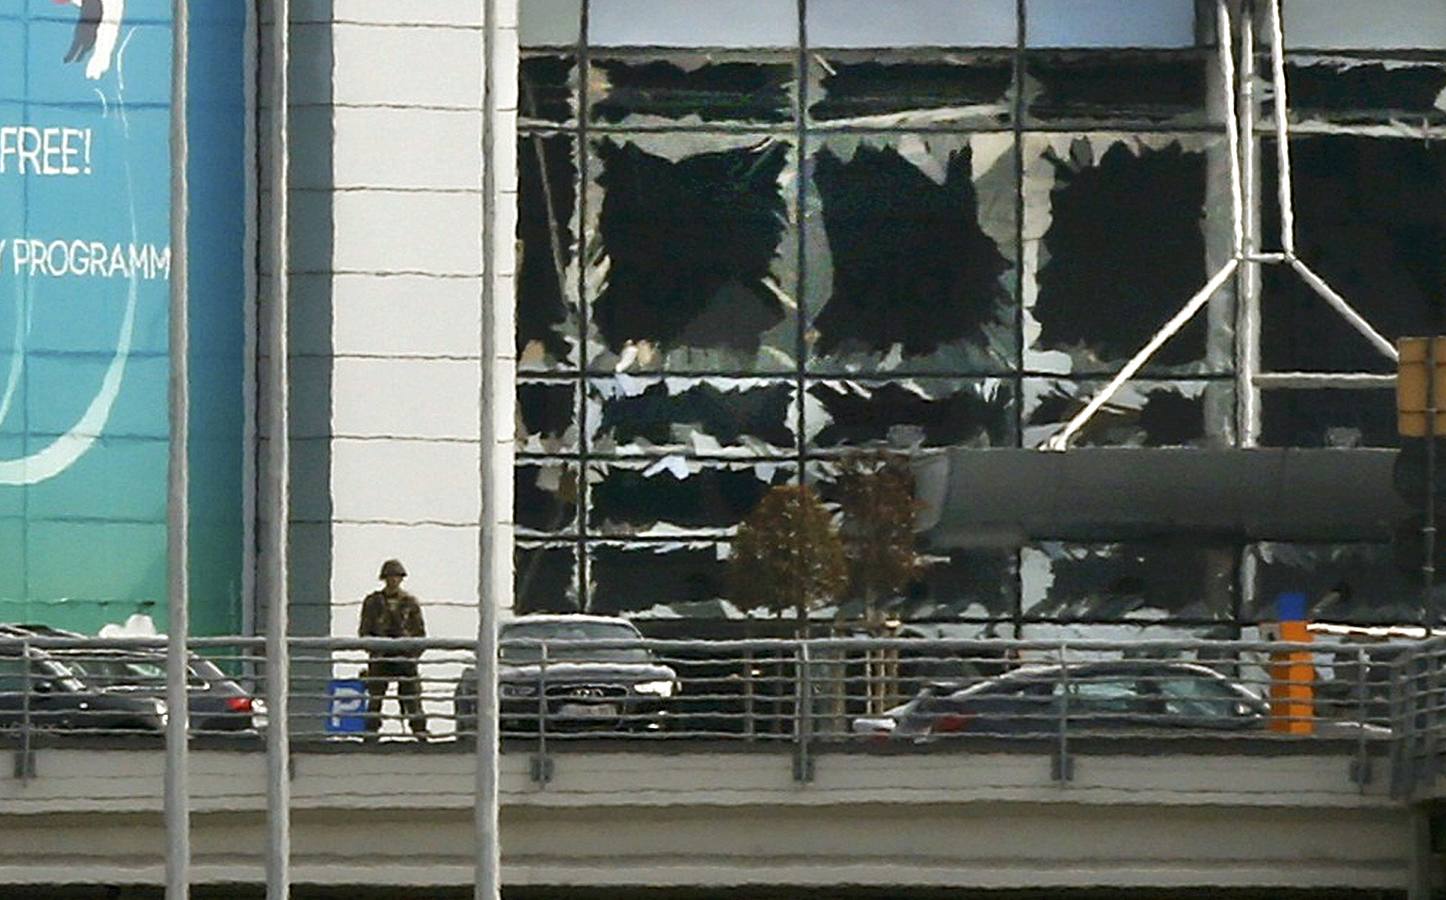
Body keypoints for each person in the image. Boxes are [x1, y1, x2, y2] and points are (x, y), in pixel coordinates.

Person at [358, 558, 428, 737]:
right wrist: (374, 647)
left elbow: (420, 633)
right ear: (384, 578)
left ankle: (419, 730)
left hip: (404, 657)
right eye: (390, 576)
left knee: (412, 697)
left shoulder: (410, 603)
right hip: (381, 656)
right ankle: (371, 731)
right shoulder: (373, 602)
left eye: (397, 576)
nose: (393, 580)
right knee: (375, 697)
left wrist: (411, 652)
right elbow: (365, 631)